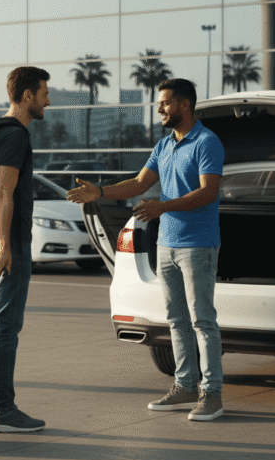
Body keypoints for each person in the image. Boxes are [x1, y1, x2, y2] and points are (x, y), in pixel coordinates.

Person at [67, 78, 225, 421]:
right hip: (166, 245)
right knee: (177, 320)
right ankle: (185, 386)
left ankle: (211, 395)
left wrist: (163, 207)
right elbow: (139, 184)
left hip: (198, 245)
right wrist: (100, 192)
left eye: (165, 102)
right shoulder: (165, 145)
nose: (159, 109)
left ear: (184, 105)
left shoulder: (207, 142)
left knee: (203, 321)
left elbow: (208, 192)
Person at [0, 66, 50, 434]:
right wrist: (5, 245)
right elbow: (5, 192)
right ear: (27, 95)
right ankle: (1, 410)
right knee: (5, 325)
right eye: (44, 93)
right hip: (6, 241)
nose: (48, 100)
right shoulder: (14, 136)